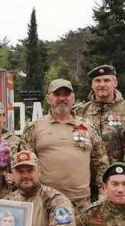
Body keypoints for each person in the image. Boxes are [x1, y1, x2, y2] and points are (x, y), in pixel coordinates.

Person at [19, 78, 109, 211]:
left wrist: (103, 194)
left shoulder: (88, 127)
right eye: (57, 94)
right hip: (45, 201)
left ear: (73, 98)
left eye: (66, 94)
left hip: (80, 202)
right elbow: (25, 166)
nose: (62, 98)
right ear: (48, 98)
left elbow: (101, 163)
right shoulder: (34, 127)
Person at [73, 64, 125, 164]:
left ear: (115, 83)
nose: (102, 84)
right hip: (87, 171)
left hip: (120, 171)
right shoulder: (80, 112)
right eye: (97, 81)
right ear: (92, 85)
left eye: (106, 80)